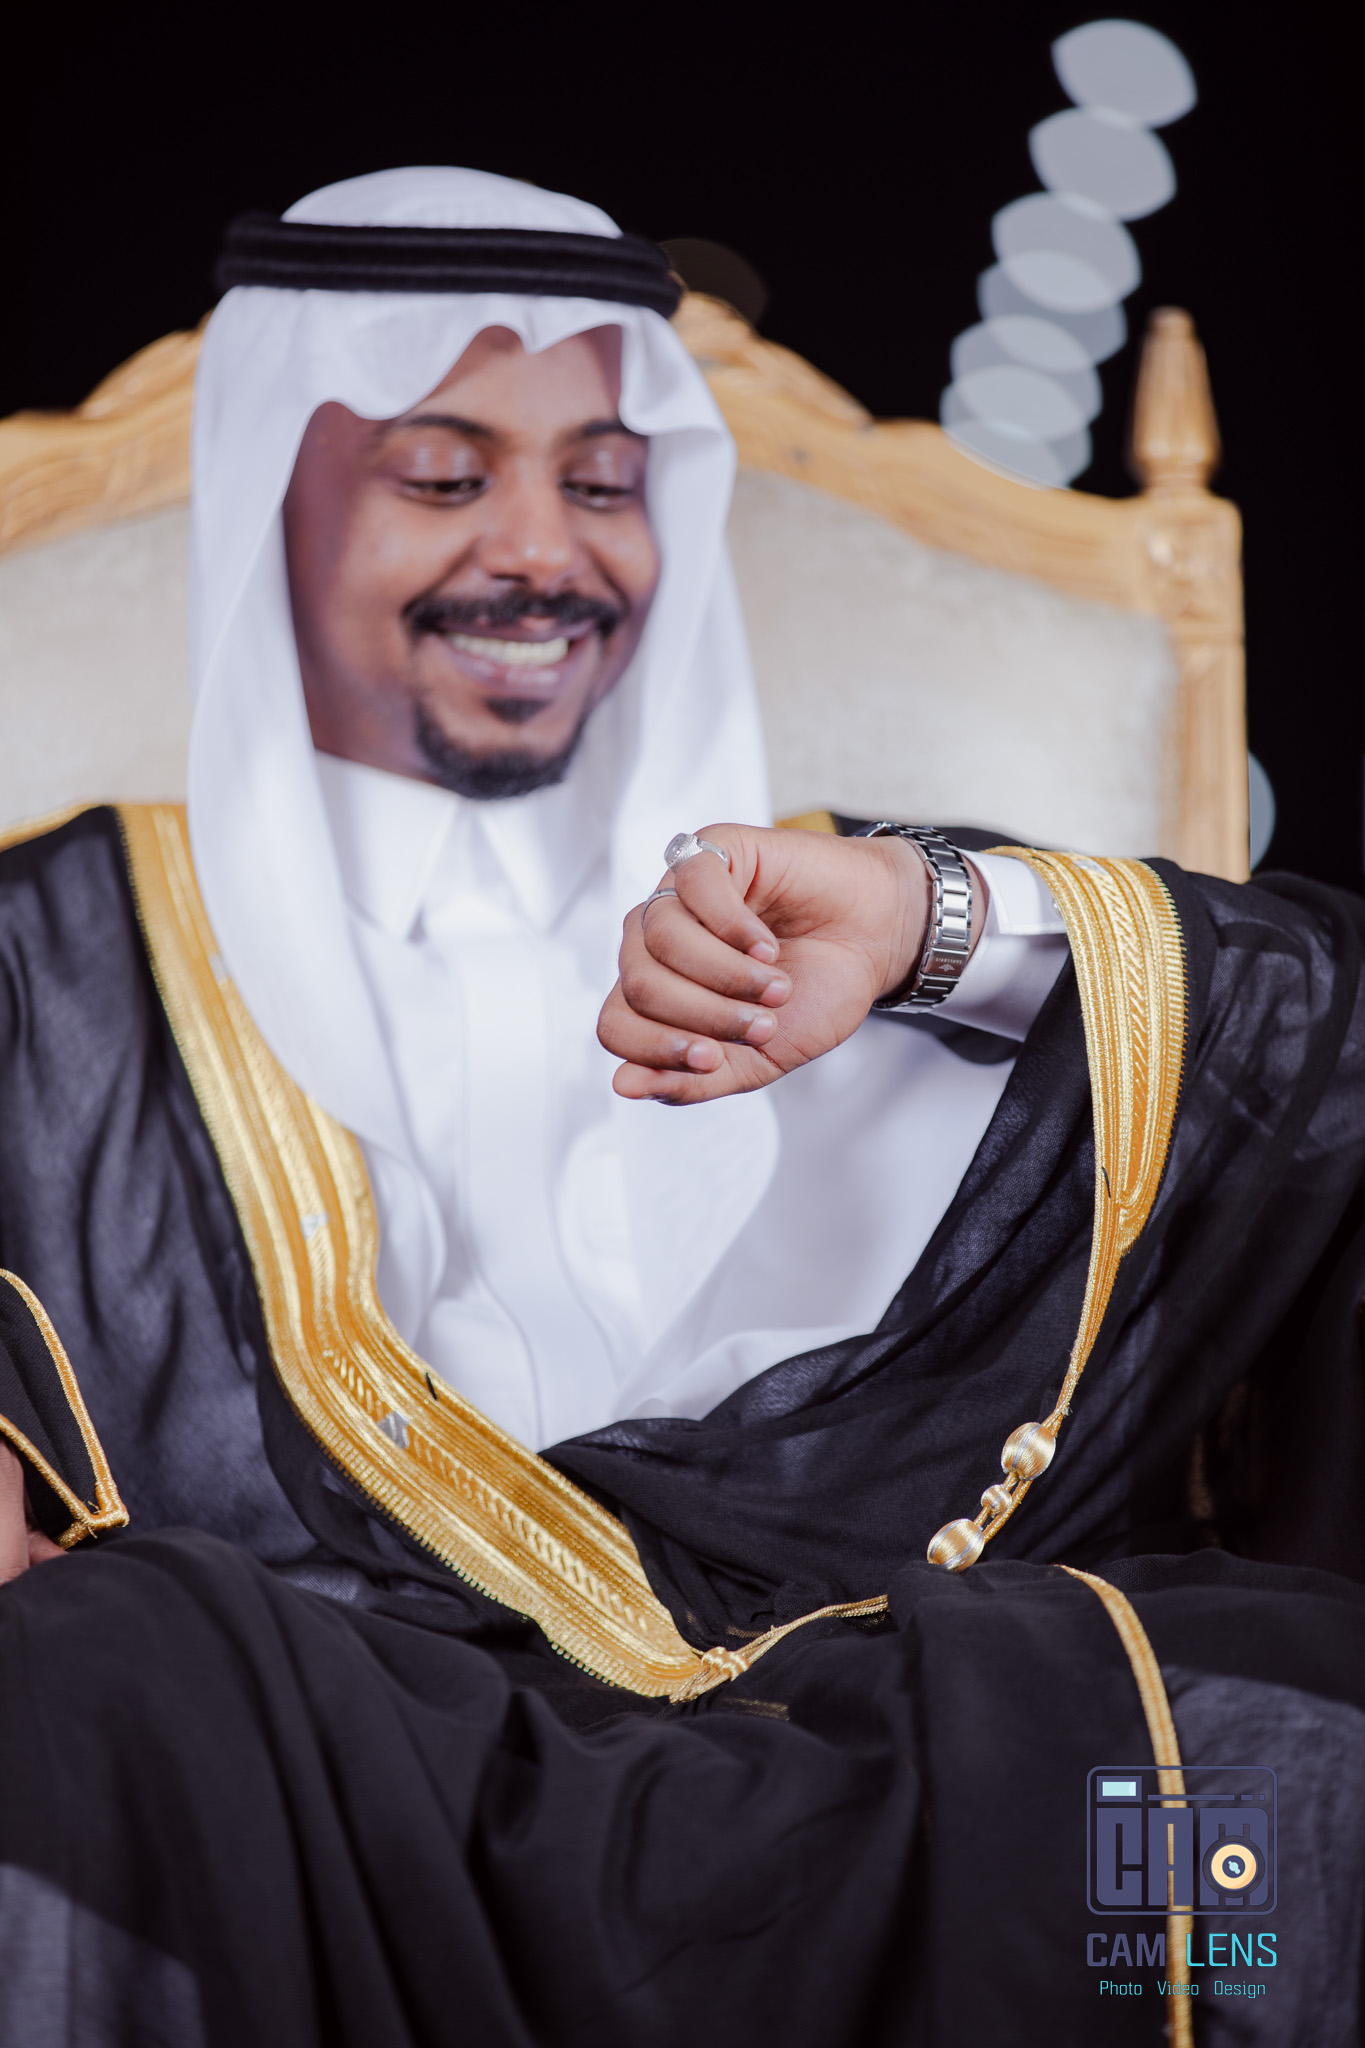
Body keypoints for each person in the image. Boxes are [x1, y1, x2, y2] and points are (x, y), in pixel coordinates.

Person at [0, 167, 1362, 2047]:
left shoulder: (858, 911)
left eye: (603, 481)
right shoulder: (49, 954)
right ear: (267, 500)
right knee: (76, 1701)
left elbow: (1314, 1063)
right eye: (442, 476)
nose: (539, 554)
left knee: (1269, 1746)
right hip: (299, 1770)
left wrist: (933, 922)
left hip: (881, 1743)